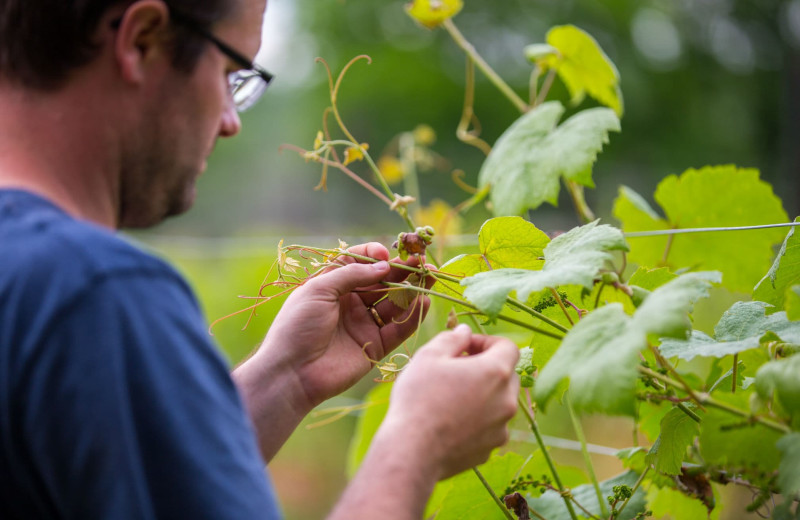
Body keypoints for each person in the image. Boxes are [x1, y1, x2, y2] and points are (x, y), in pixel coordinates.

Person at [0, 0, 521, 518]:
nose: (231, 122)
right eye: (230, 72)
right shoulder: (95, 292)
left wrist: (287, 378)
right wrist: (417, 443)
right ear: (141, 39)